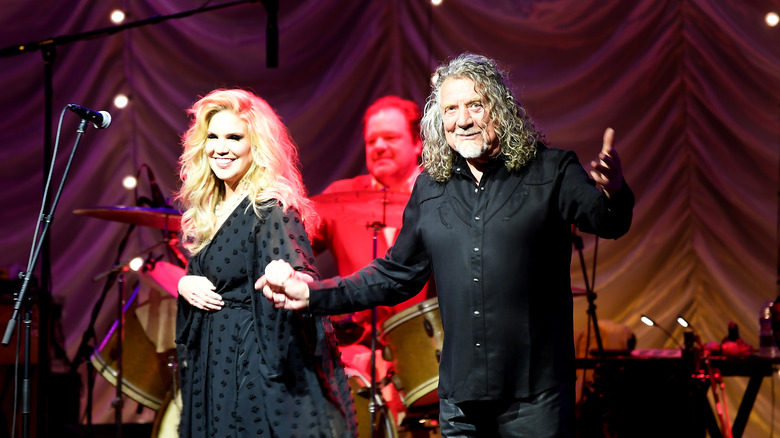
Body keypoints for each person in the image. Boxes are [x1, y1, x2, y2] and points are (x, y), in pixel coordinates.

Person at [258, 53, 635, 437]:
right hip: (460, 400)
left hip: (534, 395)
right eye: (450, 109)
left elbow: (608, 221)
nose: (463, 119)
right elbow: (395, 274)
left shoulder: (551, 170)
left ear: (501, 110)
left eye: (476, 104)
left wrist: (614, 190)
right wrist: (312, 294)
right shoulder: (431, 188)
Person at [174, 88, 356, 437]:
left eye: (234, 137)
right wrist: (184, 283)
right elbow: (207, 277)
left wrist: (289, 273)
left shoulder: (271, 208)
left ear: (256, 145)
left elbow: (301, 274)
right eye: (212, 136)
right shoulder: (210, 209)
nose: (220, 148)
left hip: (250, 363)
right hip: (213, 357)